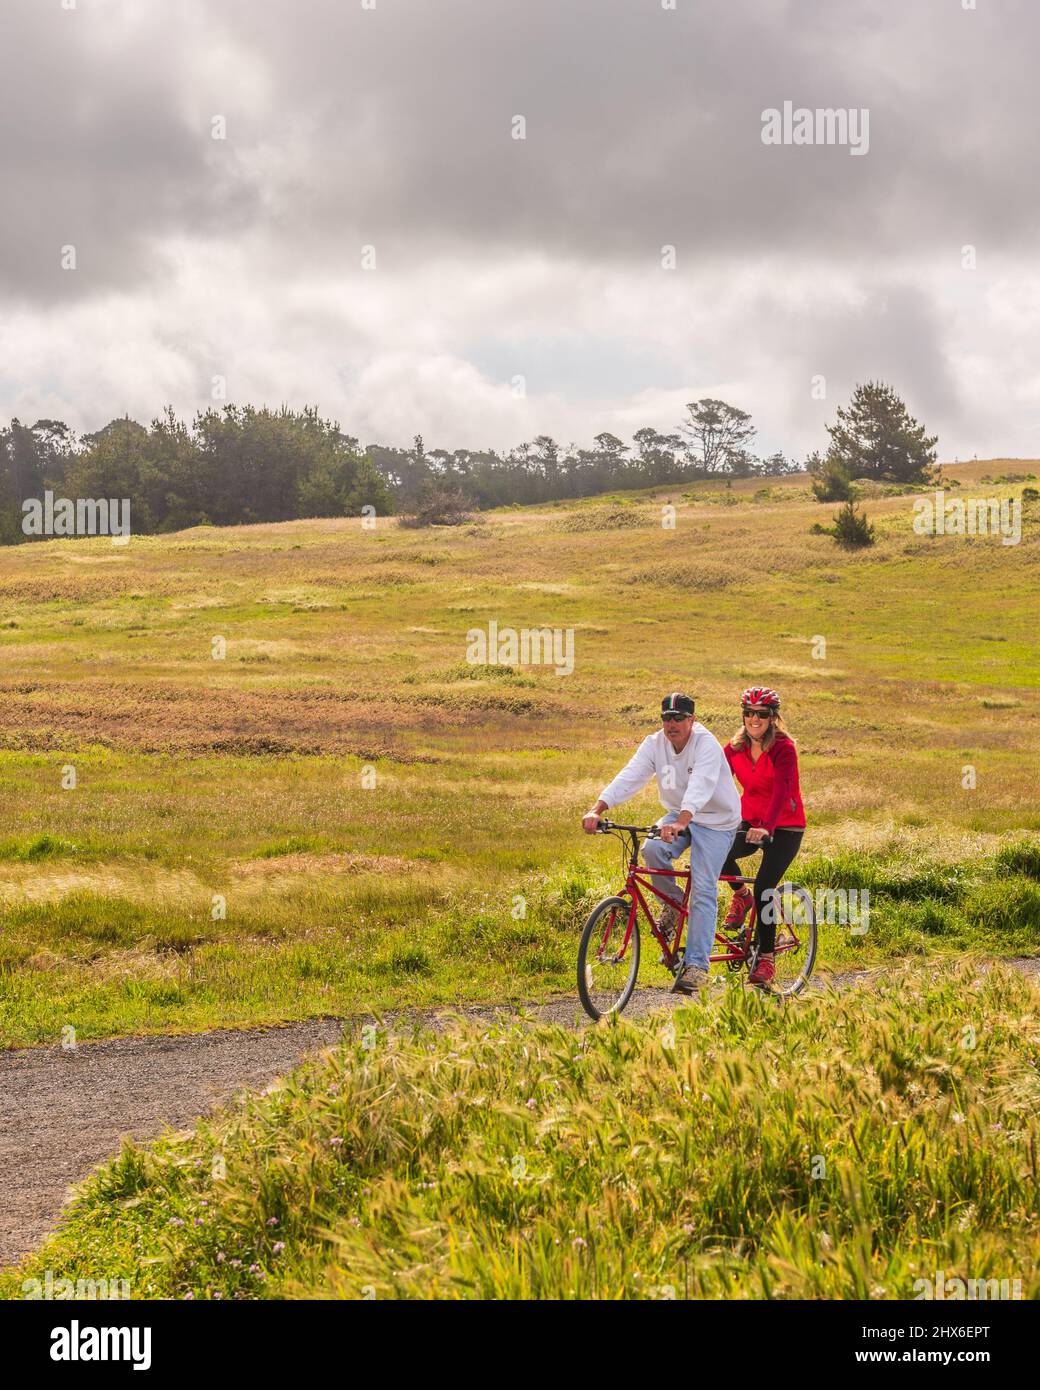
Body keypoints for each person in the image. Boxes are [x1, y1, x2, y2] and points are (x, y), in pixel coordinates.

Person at [582, 692, 741, 997]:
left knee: (704, 885)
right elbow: (630, 775)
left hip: (716, 820)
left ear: (692, 720)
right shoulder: (654, 744)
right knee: (652, 849)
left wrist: (682, 821)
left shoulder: (705, 744)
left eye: (679, 718)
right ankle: (673, 903)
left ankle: (697, 966)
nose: (672, 724)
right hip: (678, 813)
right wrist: (598, 809)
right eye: (666, 718)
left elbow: (701, 785)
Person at [720, 686, 806, 989]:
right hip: (751, 819)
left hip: (785, 826)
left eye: (762, 714)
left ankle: (767, 957)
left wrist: (768, 827)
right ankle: (741, 896)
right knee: (717, 852)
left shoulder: (784, 748)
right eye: (749, 713)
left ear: (773, 718)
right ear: (743, 715)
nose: (754, 719)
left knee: (766, 887)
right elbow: (714, 782)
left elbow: (783, 791)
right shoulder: (733, 748)